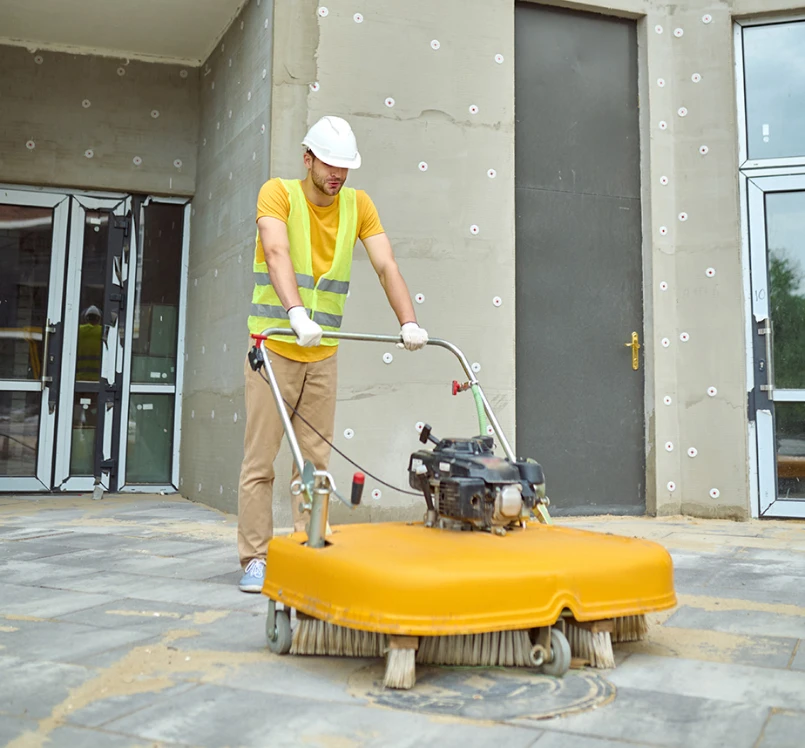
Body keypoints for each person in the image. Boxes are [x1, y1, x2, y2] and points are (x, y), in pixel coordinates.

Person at [237, 115, 428, 592]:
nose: (337, 174)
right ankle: (254, 560)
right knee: (260, 462)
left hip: (322, 354)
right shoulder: (277, 193)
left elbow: (386, 265)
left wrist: (408, 321)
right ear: (308, 159)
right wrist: (296, 313)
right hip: (274, 347)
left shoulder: (358, 205)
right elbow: (276, 253)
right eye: (329, 164)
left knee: (315, 464)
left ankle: (310, 553)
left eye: (345, 166)